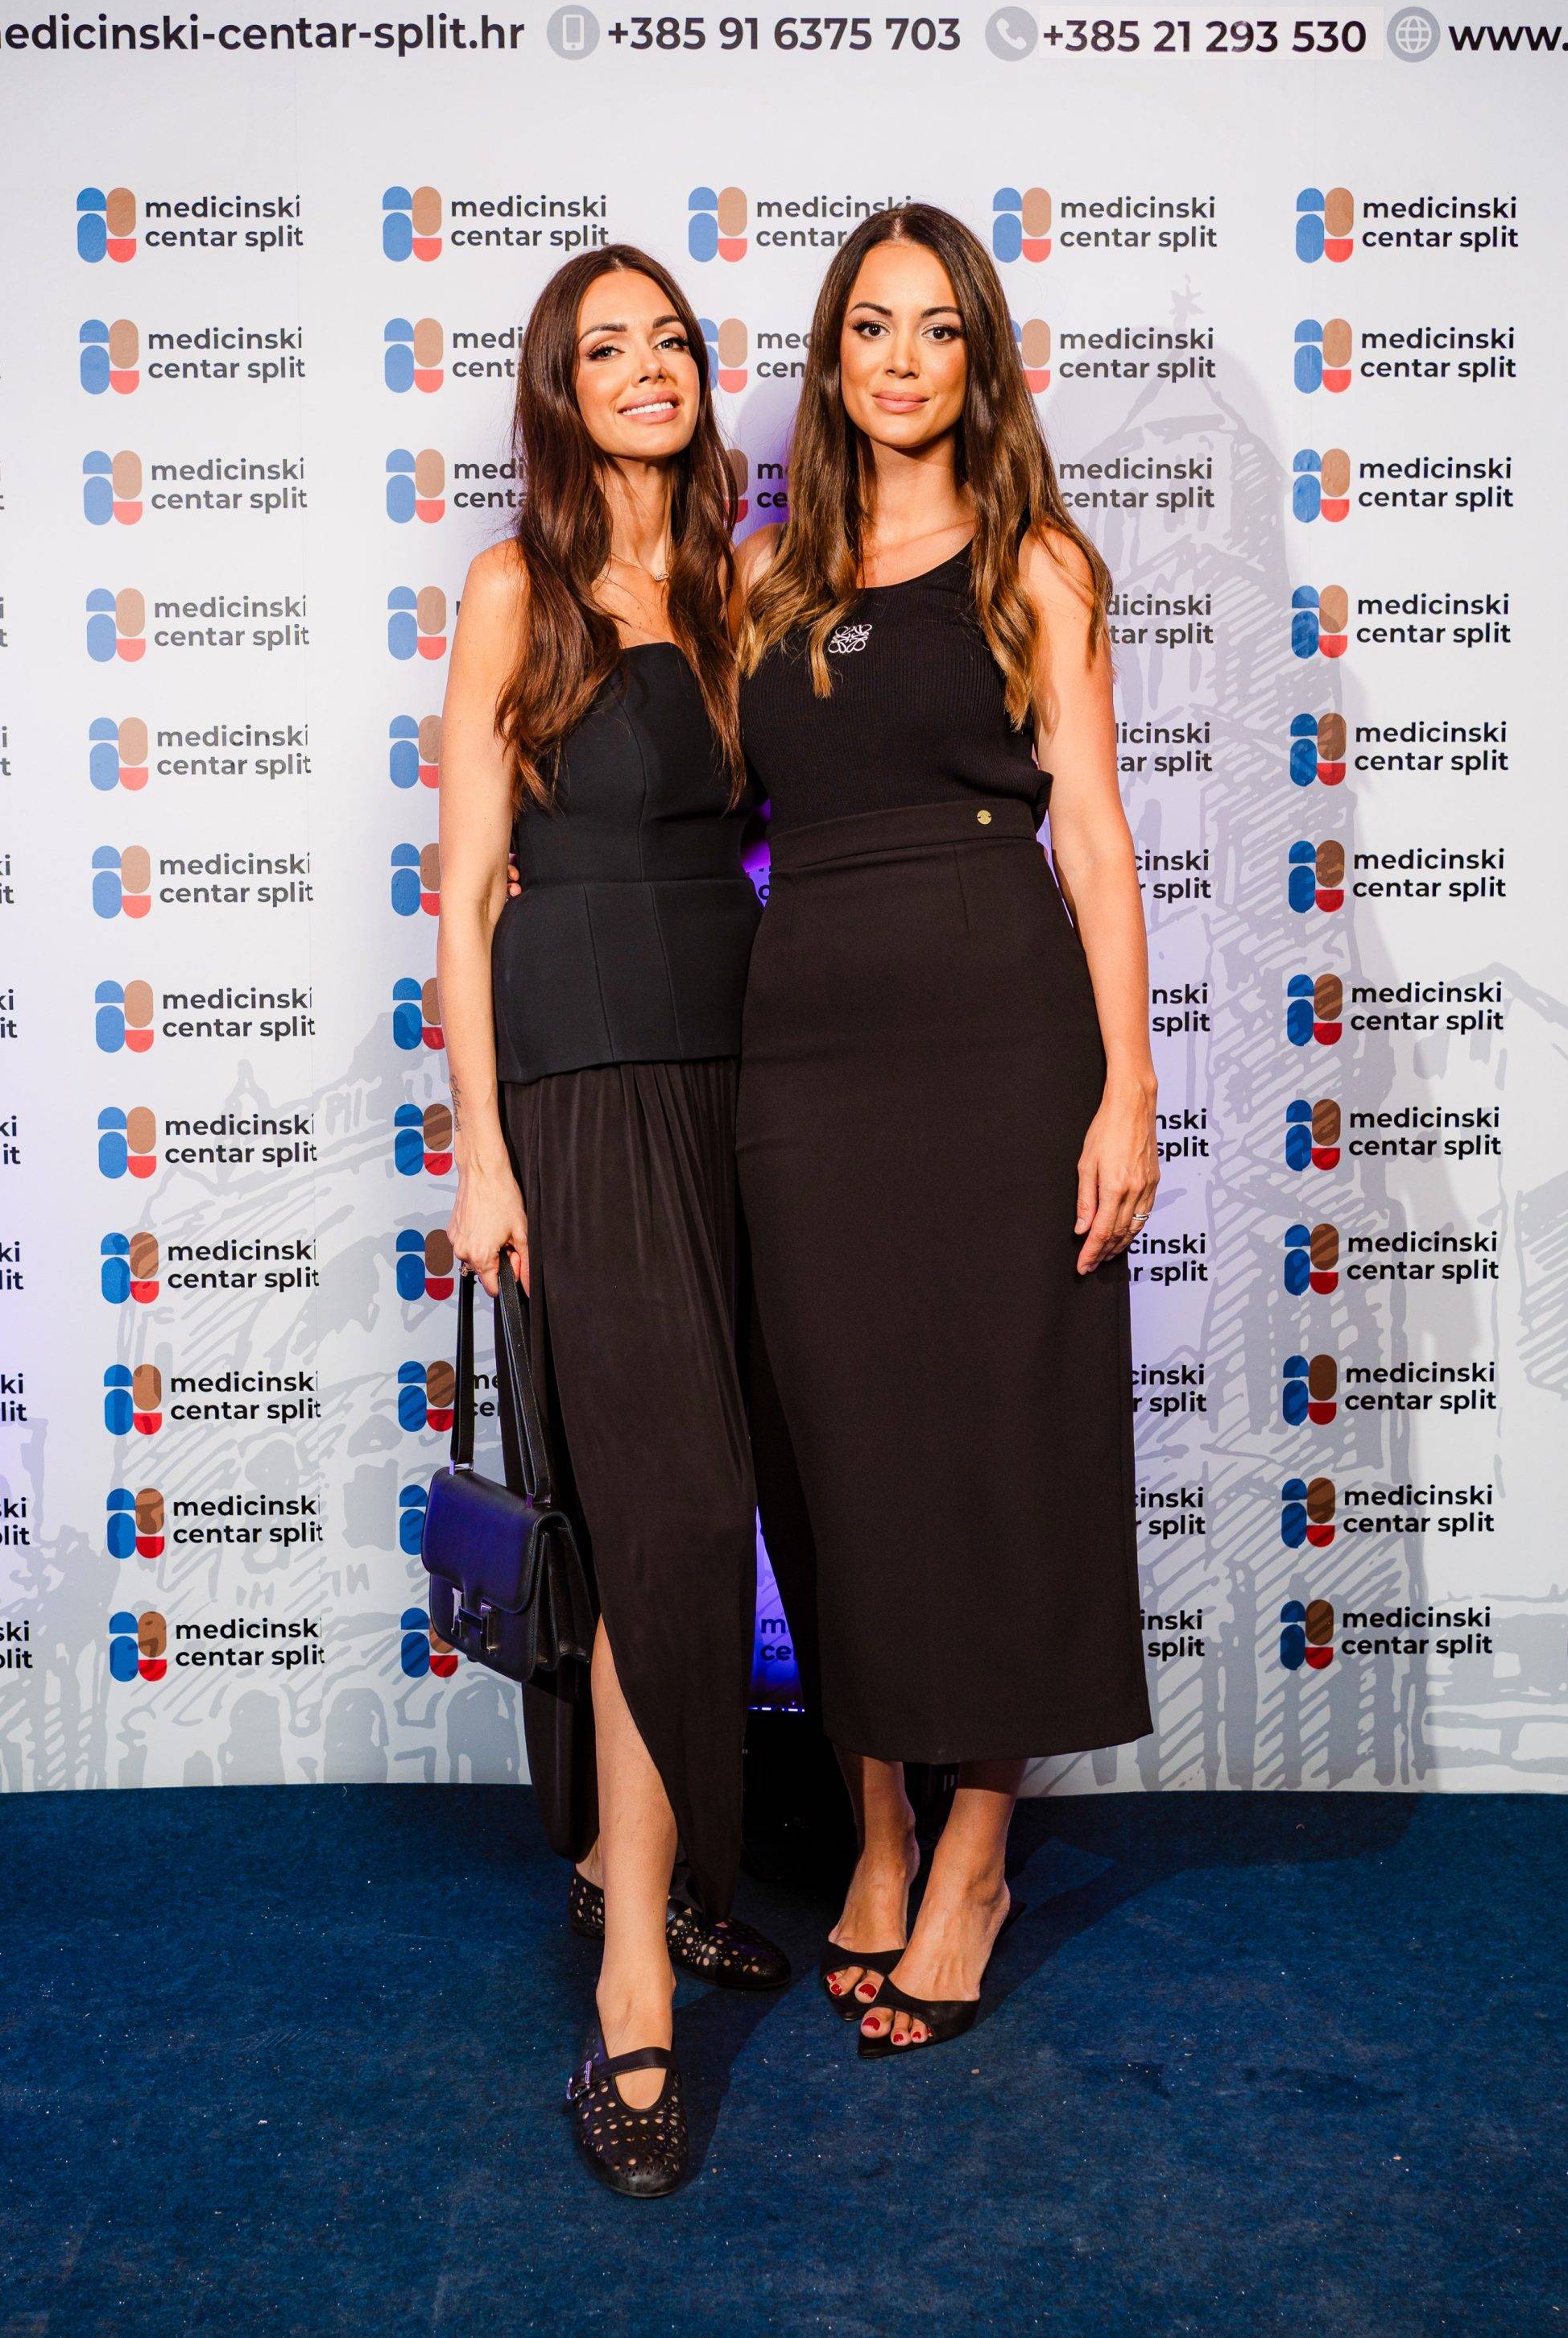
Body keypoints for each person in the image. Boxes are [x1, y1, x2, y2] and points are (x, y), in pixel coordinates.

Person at [734, 203, 1156, 2058]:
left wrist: (1129, 1086)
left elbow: (1097, 838)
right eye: (869, 327)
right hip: (803, 1053)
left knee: (1002, 1440)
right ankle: (881, 1831)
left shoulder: (1036, 561)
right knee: (832, 1447)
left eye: (937, 329)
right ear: (832, 359)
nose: (901, 360)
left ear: (980, 359)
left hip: (1003, 1036)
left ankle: (975, 1849)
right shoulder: (765, 577)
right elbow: (689, 794)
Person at [437, 244, 788, 2198]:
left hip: (751, 1078)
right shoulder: (517, 588)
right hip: (581, 1087)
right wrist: (481, 1149)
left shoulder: (746, 585)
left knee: (702, 1500)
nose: (647, 368)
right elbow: (464, 889)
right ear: (558, 393)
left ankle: (623, 1859)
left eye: (669, 341)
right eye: (605, 349)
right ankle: (634, 1984)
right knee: (665, 1514)